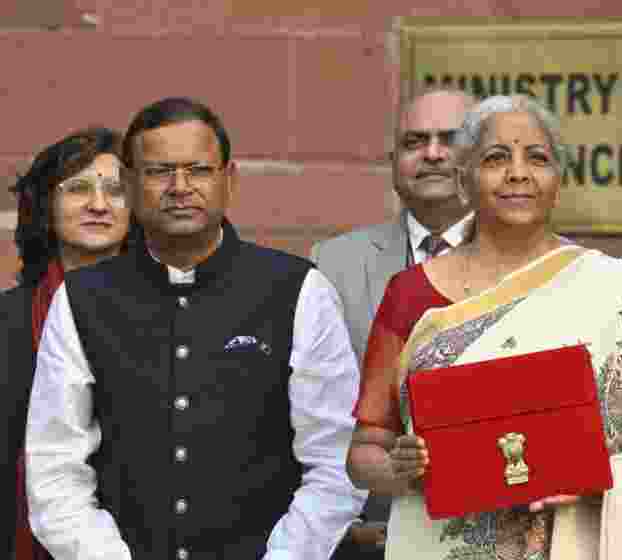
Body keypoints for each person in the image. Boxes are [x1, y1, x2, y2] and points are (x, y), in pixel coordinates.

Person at [346, 94, 622, 559]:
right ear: (464, 179)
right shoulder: (410, 294)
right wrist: (399, 469)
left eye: (537, 158)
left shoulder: (615, 290)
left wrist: (602, 477)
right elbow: (365, 450)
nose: (518, 173)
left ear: (558, 180)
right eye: (496, 158)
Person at [24, 97, 363, 559]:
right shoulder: (83, 299)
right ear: (130, 183)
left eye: (198, 170)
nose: (180, 187)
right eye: (160, 171)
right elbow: (55, 465)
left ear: (229, 179)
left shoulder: (298, 289)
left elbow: (335, 461)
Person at [313, 87, 477, 558]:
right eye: (414, 142)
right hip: (375, 533)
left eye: (451, 139)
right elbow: (317, 415)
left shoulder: (533, 260)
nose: (432, 153)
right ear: (392, 162)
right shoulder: (332, 263)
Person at [1, 128, 132, 559]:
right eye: (77, 188)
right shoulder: (6, 320)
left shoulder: (172, 315)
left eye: (116, 190)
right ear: (46, 206)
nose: (98, 204)